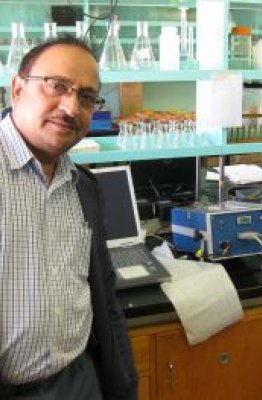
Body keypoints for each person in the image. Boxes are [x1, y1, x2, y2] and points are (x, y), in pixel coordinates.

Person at [0, 36, 138, 399]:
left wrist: (125, 385)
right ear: (16, 88)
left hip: (79, 381)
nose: (71, 107)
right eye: (57, 86)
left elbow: (106, 302)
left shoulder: (84, 188)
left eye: (87, 97)